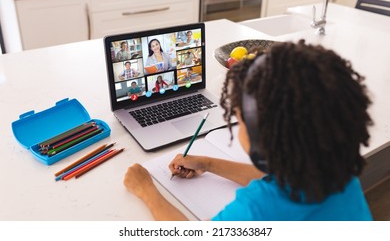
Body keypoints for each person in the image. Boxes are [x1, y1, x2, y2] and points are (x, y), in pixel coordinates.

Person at [123, 40, 373, 221]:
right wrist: (208, 163)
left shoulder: (257, 210)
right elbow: (280, 178)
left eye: (238, 118)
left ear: (262, 135)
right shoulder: (339, 173)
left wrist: (146, 189)